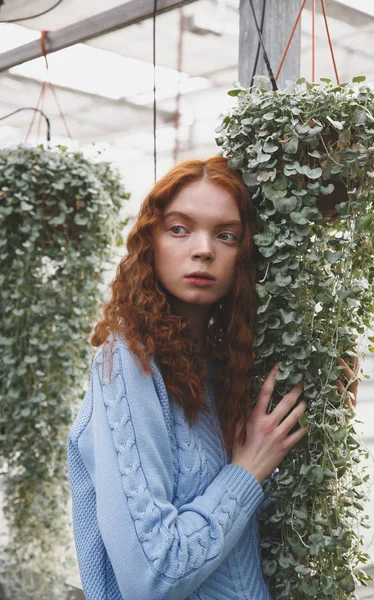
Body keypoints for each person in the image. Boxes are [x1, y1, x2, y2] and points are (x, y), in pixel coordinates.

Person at [67, 156, 358, 600]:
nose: (203, 249)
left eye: (226, 235)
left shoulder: (226, 363)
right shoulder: (128, 363)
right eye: (179, 228)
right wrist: (246, 470)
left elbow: (241, 535)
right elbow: (152, 577)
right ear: (150, 242)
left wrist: (326, 417)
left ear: (246, 254)